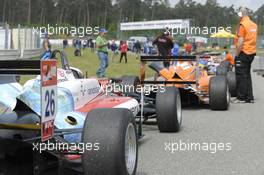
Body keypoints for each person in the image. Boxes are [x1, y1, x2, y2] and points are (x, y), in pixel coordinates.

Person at [234, 7, 258, 103]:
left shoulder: (242, 25)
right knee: (247, 75)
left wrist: (236, 54)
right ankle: (249, 97)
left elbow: (240, 41)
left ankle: (241, 98)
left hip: (243, 52)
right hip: (252, 52)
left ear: (241, 14)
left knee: (241, 75)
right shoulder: (254, 25)